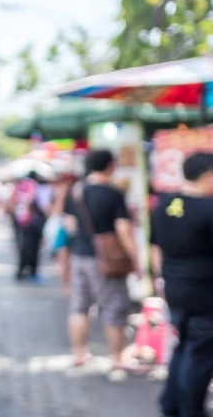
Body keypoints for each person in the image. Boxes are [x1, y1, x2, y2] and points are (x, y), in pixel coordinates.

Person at [63, 150, 140, 380]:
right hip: (107, 259)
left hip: (79, 255)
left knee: (79, 307)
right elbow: (123, 230)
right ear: (110, 166)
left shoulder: (76, 191)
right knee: (114, 308)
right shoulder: (114, 193)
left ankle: (78, 354)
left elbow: (69, 226)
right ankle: (117, 358)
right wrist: (134, 258)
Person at [151, 152, 213, 417]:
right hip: (205, 294)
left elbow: (156, 248)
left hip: (174, 289)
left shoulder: (164, 204)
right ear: (208, 176)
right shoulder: (208, 210)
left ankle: (171, 404)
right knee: (199, 355)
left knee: (184, 346)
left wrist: (161, 279)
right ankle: (190, 409)